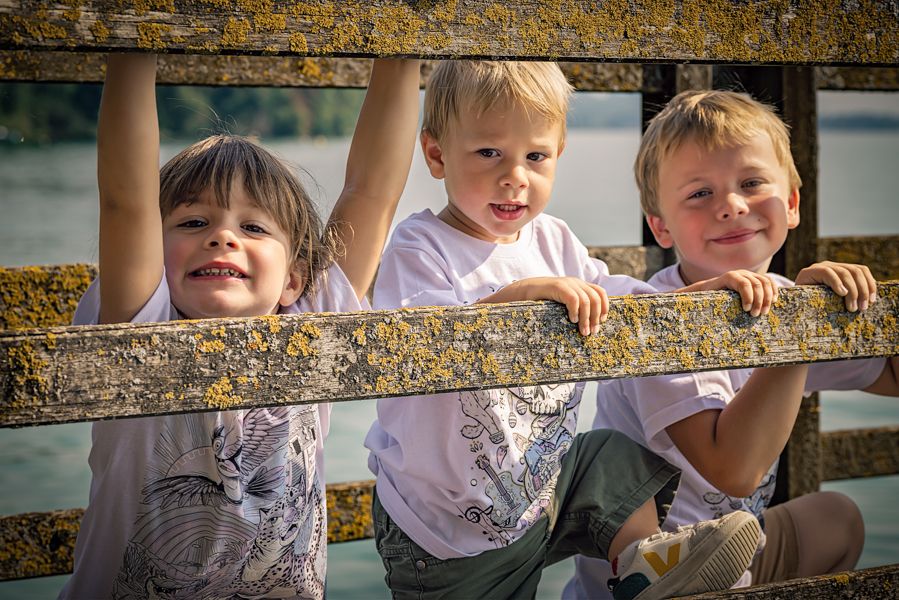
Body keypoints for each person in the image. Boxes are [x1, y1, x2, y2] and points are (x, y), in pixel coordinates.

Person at [364, 61, 763, 600]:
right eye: (488, 153)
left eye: (535, 156)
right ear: (436, 154)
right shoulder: (419, 247)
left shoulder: (553, 240)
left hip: (541, 490)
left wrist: (699, 296)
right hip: (446, 530)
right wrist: (520, 297)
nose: (515, 176)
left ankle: (644, 567)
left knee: (608, 457)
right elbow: (426, 338)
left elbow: (623, 303)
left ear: (558, 156)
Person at [58, 53, 420, 599]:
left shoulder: (307, 326)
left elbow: (372, 192)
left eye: (252, 227)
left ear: (296, 278)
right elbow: (124, 201)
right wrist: (132, 47)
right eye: (193, 222)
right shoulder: (141, 322)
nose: (223, 237)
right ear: (153, 255)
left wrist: (402, 53)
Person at [565, 89, 899, 599]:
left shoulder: (787, 299)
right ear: (661, 226)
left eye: (751, 182)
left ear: (790, 204)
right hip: (659, 580)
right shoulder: (663, 321)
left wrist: (853, 306)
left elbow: (890, 376)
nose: (732, 206)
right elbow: (735, 469)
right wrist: (799, 329)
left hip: (742, 555)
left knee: (838, 518)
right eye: (700, 194)